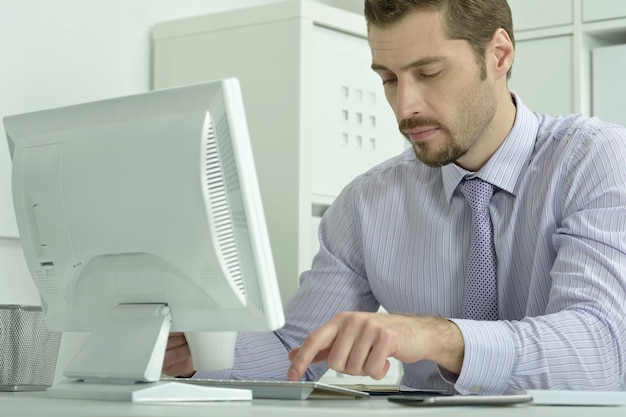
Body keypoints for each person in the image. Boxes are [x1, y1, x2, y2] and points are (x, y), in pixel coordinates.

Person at [163, 0, 626, 395]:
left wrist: (439, 338)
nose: (405, 107)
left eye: (428, 73)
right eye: (388, 79)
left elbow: (600, 352)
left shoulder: (594, 159)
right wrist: (196, 352)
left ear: (499, 54)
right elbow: (296, 352)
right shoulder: (366, 204)